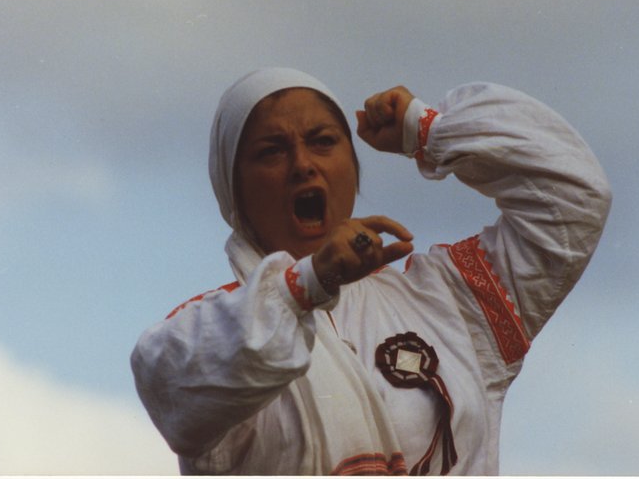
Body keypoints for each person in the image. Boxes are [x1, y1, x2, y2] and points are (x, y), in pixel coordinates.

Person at [131, 67, 612, 475]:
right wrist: (306, 285)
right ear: (232, 189)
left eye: (323, 142)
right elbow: (166, 383)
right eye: (271, 151)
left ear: (353, 167)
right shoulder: (218, 329)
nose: (302, 165)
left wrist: (428, 130)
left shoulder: (451, 302)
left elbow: (575, 199)